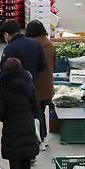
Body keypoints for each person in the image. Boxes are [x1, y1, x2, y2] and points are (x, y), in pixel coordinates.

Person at [0, 58, 40, 169]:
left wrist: (4, 118)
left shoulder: (3, 86)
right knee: (26, 150)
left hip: (11, 122)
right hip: (26, 119)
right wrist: (34, 115)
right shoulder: (28, 82)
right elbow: (35, 101)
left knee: (14, 154)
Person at [25, 20, 55, 148]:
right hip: (48, 85)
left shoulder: (33, 46)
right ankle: (44, 137)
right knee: (41, 111)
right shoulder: (50, 44)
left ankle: (40, 138)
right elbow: (54, 64)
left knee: (36, 114)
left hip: (38, 86)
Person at [0, 19, 46, 87]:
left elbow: (3, 71)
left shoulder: (9, 48)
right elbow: (43, 65)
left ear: (6, 34)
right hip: (32, 86)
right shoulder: (35, 42)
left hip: (16, 89)